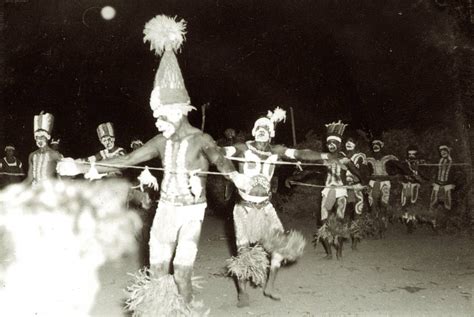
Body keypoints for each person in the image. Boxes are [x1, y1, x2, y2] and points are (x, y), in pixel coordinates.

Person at [57, 15, 250, 313]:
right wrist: (82, 168)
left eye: (161, 114)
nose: (157, 121)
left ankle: (186, 310)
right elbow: (128, 159)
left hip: (191, 214)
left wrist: (237, 179)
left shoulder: (201, 138)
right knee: (158, 273)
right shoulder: (161, 140)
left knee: (182, 274)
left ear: (178, 110)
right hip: (165, 211)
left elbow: (219, 159)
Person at [224, 107, 332, 307]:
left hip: (266, 208)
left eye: (266, 127)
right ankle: (242, 294)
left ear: (271, 133)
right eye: (259, 127)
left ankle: (270, 285)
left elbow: (301, 153)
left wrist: (325, 156)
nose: (262, 129)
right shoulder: (242, 149)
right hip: (244, 209)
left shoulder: (276, 151)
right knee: (243, 252)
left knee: (281, 245)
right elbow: (217, 154)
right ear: (254, 131)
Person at [341, 136, 369, 249]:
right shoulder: (341, 155)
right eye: (347, 141)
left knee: (357, 213)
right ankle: (343, 237)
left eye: (351, 141)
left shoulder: (360, 156)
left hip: (357, 187)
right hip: (344, 188)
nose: (348, 143)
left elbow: (363, 172)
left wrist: (364, 183)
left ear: (356, 144)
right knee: (344, 213)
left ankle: (355, 242)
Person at [366, 138, 398, 235]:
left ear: (381, 146)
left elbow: (397, 167)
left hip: (385, 183)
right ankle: (374, 228)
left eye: (377, 144)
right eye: (374, 144)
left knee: (383, 205)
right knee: (373, 206)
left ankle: (382, 227)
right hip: (372, 182)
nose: (375, 146)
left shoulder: (389, 158)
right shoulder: (368, 159)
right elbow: (364, 171)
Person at [25, 112, 63, 186]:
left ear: (47, 138)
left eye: (42, 137)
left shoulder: (54, 154)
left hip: (48, 191)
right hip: (35, 190)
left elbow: (62, 176)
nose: (39, 140)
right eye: (37, 137)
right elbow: (29, 178)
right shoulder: (32, 155)